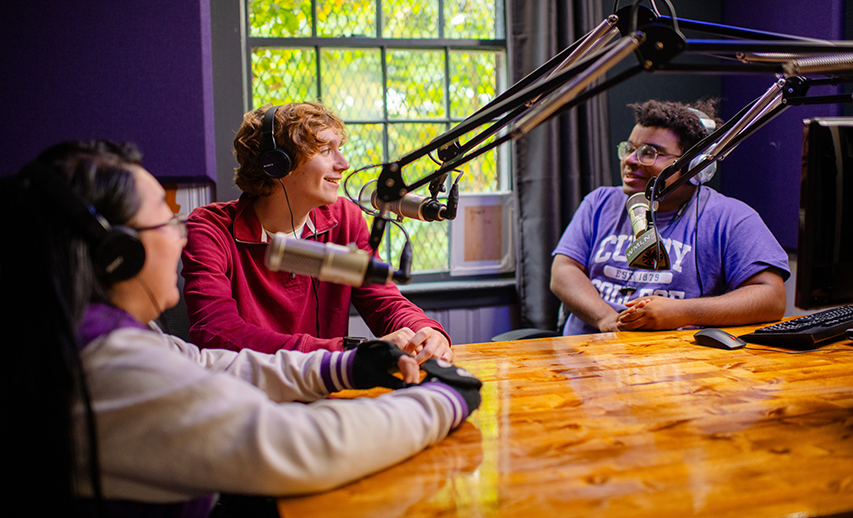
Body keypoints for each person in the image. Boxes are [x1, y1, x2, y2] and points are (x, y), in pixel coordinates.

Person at [1, 140, 480, 516]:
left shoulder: (102, 332)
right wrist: (442, 400)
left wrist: (347, 364)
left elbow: (207, 363)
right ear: (117, 253)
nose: (179, 235)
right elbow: (297, 445)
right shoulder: (109, 362)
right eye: (165, 223)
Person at [181, 102, 453, 362]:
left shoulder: (344, 219)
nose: (344, 164)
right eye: (326, 150)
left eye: (340, 149)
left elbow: (383, 300)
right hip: (251, 396)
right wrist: (347, 351)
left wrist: (426, 331)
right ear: (278, 164)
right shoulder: (211, 230)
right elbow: (216, 333)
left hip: (328, 386)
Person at [550, 99, 790, 336]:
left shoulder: (731, 219)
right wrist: (607, 319)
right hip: (585, 357)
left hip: (674, 364)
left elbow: (771, 298)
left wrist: (681, 312)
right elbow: (564, 270)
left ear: (696, 166)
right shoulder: (599, 203)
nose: (630, 161)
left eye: (649, 153)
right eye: (630, 149)